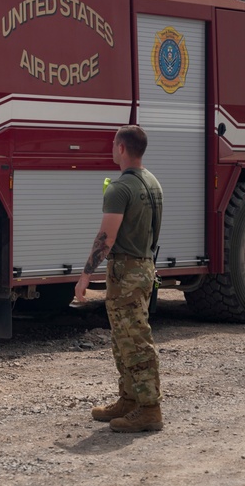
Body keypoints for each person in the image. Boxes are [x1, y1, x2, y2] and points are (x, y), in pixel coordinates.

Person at [74, 125, 164, 433]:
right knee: (123, 338)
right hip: (144, 267)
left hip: (125, 273)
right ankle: (129, 399)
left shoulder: (120, 188)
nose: (112, 149)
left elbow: (106, 238)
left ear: (121, 148)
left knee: (135, 340)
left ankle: (149, 408)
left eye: (114, 144)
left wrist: (85, 275)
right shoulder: (153, 183)